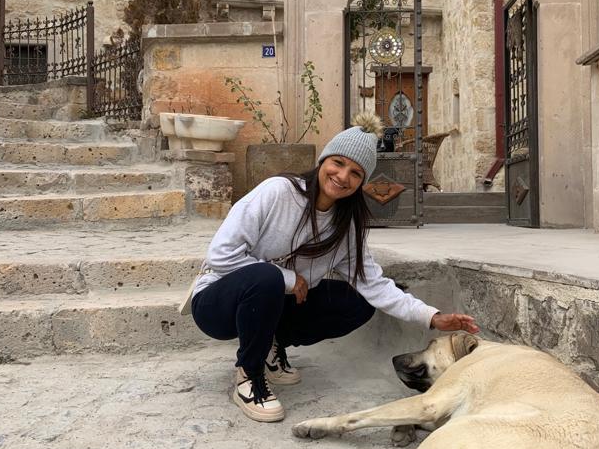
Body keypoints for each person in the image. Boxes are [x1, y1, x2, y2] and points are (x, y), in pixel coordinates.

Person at [190, 112, 479, 423]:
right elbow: (220, 255)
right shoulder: (278, 192)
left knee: (357, 302)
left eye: (355, 173)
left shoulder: (345, 226)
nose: (342, 176)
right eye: (338, 163)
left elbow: (376, 285)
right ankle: (250, 375)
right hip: (218, 304)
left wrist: (432, 316)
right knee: (267, 278)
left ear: (362, 182)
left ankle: (271, 343)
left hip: (274, 305)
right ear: (323, 161)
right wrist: (288, 278)